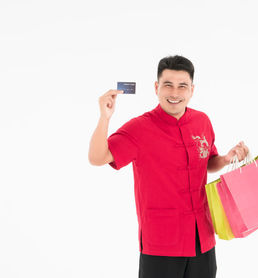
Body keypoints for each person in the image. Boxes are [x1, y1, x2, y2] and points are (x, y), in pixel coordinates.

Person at [88, 55, 249, 278]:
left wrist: (226, 158)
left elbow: (208, 162)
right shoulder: (139, 128)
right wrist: (104, 117)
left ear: (192, 89)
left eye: (182, 86)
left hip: (202, 237)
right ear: (156, 88)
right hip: (161, 242)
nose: (175, 93)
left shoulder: (202, 121)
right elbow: (97, 157)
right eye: (168, 85)